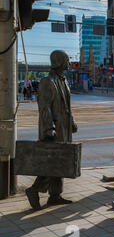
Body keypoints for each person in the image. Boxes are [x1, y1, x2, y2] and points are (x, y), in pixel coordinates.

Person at [25, 50, 77, 210]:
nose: (69, 63)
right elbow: (44, 107)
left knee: (59, 162)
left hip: (64, 127)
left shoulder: (63, 80)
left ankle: (55, 196)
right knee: (52, 162)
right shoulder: (47, 81)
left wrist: (72, 122)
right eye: (67, 60)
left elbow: (66, 105)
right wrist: (49, 128)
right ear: (60, 62)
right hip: (54, 128)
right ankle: (34, 190)